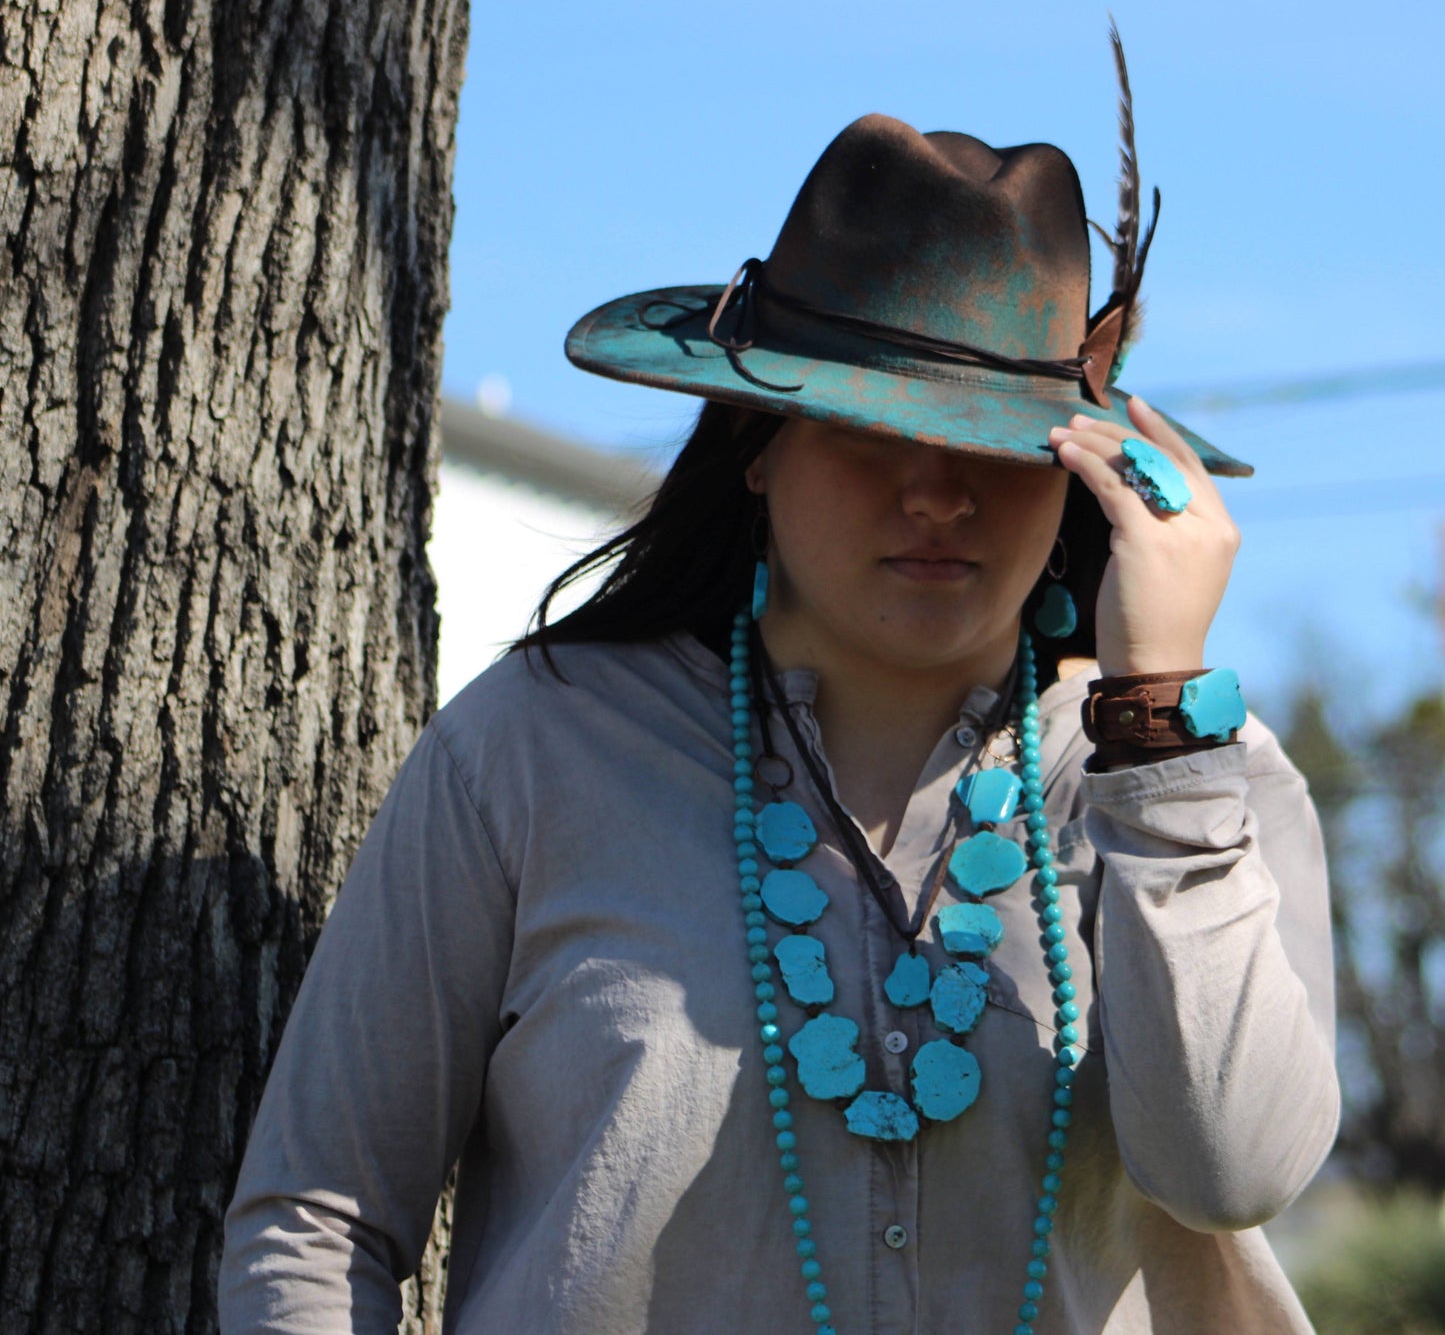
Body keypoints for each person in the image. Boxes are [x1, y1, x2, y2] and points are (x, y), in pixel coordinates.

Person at [221, 72, 1339, 1334]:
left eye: (996, 443)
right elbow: (314, 1221)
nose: (935, 492)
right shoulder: (531, 749)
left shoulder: (1201, 771)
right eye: (869, 431)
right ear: (759, 441)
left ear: (1084, 474)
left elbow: (1233, 1174)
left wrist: (1157, 723)